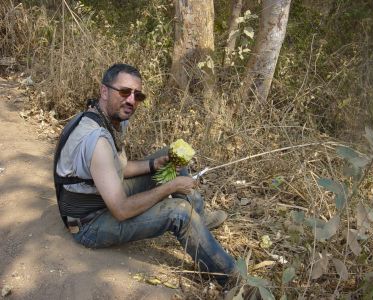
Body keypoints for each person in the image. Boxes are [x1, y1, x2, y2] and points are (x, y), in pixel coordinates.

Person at [54, 63, 237, 285]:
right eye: (124, 92)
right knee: (178, 213)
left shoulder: (105, 118)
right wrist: (170, 187)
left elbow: (120, 168)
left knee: (169, 157)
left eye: (137, 95)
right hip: (89, 224)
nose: (131, 100)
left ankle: (198, 221)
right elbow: (121, 210)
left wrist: (155, 164)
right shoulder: (97, 140)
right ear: (104, 91)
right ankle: (234, 280)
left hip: (102, 197)